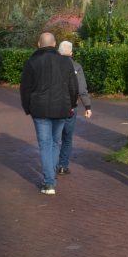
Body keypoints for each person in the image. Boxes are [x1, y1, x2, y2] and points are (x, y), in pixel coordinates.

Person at [19, 32, 79, 195]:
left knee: (45, 144)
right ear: (54, 44)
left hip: (40, 109)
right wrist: (71, 104)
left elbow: (25, 88)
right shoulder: (66, 62)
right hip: (61, 108)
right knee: (54, 142)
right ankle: (51, 174)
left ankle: (49, 182)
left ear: (39, 44)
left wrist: (27, 108)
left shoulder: (31, 62)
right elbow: (74, 86)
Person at [56, 41, 92, 176]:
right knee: (67, 137)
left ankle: (53, 165)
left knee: (54, 138)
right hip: (71, 106)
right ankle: (63, 166)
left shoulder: (53, 66)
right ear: (71, 53)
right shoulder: (76, 66)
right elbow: (82, 88)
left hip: (55, 106)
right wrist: (87, 106)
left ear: (59, 52)